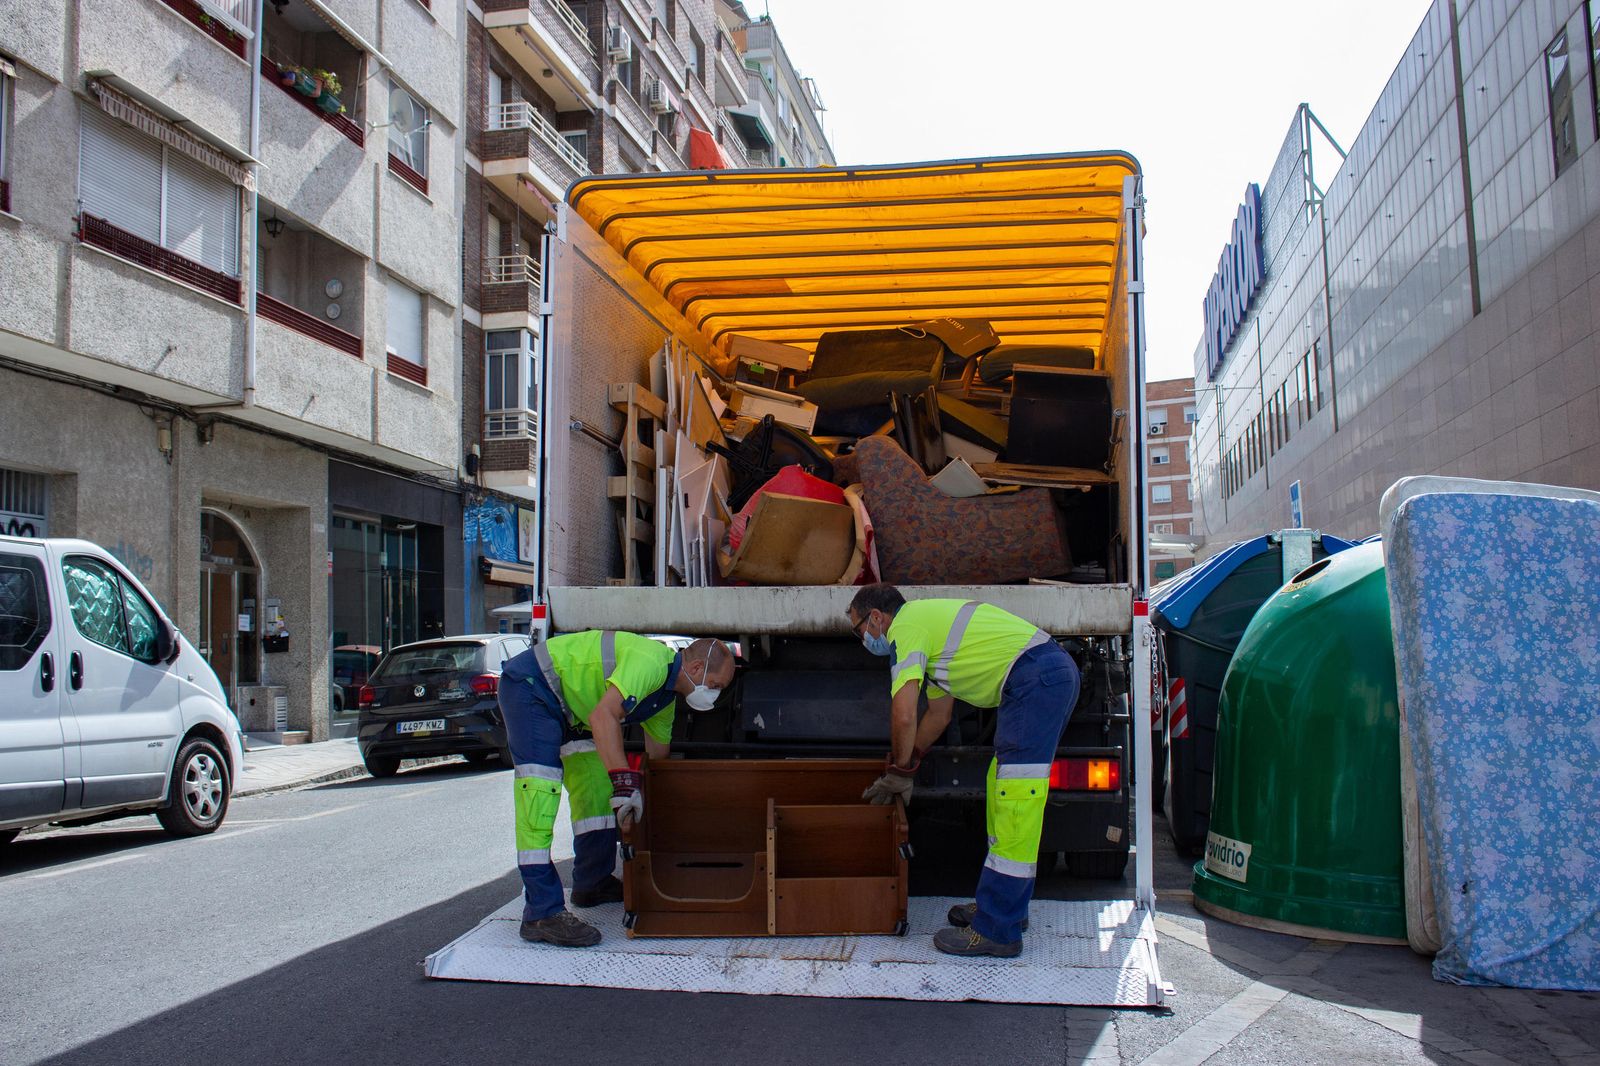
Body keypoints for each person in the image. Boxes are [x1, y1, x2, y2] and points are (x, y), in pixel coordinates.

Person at [848, 583, 1080, 958]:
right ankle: (1003, 907)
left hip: (1034, 680)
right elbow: (937, 717)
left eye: (858, 629)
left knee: (1015, 801)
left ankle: (997, 930)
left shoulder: (906, 629)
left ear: (876, 617)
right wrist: (908, 766)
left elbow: (904, 713)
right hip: (1040, 677)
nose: (863, 639)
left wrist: (898, 770)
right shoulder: (929, 631)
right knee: (1000, 788)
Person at [498, 631, 736, 947]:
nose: (715, 695)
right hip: (534, 687)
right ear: (695, 669)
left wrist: (658, 807)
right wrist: (625, 784)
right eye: (716, 686)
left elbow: (657, 761)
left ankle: (591, 883)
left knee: (596, 791)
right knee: (539, 793)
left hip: (573, 709)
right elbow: (603, 716)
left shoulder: (662, 702)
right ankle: (541, 913)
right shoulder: (650, 662)